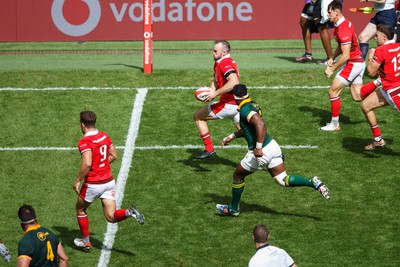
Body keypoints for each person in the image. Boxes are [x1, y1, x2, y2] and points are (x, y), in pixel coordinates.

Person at [216, 84, 330, 217]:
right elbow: (251, 128)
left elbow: (260, 124)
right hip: (272, 146)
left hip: (261, 151)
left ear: (234, 97)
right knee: (282, 179)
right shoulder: (252, 103)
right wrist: (232, 136)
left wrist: (258, 147)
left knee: (238, 175)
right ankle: (312, 183)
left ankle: (234, 208)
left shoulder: (245, 109)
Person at [74, 111, 145, 251]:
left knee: (80, 209)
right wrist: (102, 165)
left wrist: (78, 180)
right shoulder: (104, 136)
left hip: (93, 184)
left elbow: (87, 163)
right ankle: (129, 212)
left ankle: (86, 242)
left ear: (82, 125)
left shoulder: (84, 142)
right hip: (108, 182)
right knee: (111, 217)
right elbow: (113, 155)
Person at [320, 1, 375, 131]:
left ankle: (334, 124)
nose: (328, 15)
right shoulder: (341, 24)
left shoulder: (343, 28)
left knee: (333, 90)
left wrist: (331, 69)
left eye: (329, 12)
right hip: (358, 62)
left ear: (336, 12)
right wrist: (332, 57)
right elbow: (342, 46)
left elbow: (346, 56)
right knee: (357, 96)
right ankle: (381, 87)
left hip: (353, 63)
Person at [193, 40, 240, 159]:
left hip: (228, 104)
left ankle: (209, 150)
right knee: (248, 133)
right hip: (238, 105)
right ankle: (269, 152)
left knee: (198, 116)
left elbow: (234, 82)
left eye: (215, 51)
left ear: (224, 52)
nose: (212, 53)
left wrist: (215, 94)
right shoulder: (220, 62)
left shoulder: (224, 63)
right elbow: (216, 80)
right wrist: (210, 91)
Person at [360, 24, 400, 150]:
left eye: (376, 36)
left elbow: (371, 72)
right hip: (388, 89)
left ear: (384, 37)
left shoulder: (381, 50)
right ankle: (378, 140)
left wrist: (371, 56)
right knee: (365, 105)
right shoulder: (398, 46)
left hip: (394, 92)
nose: (374, 38)